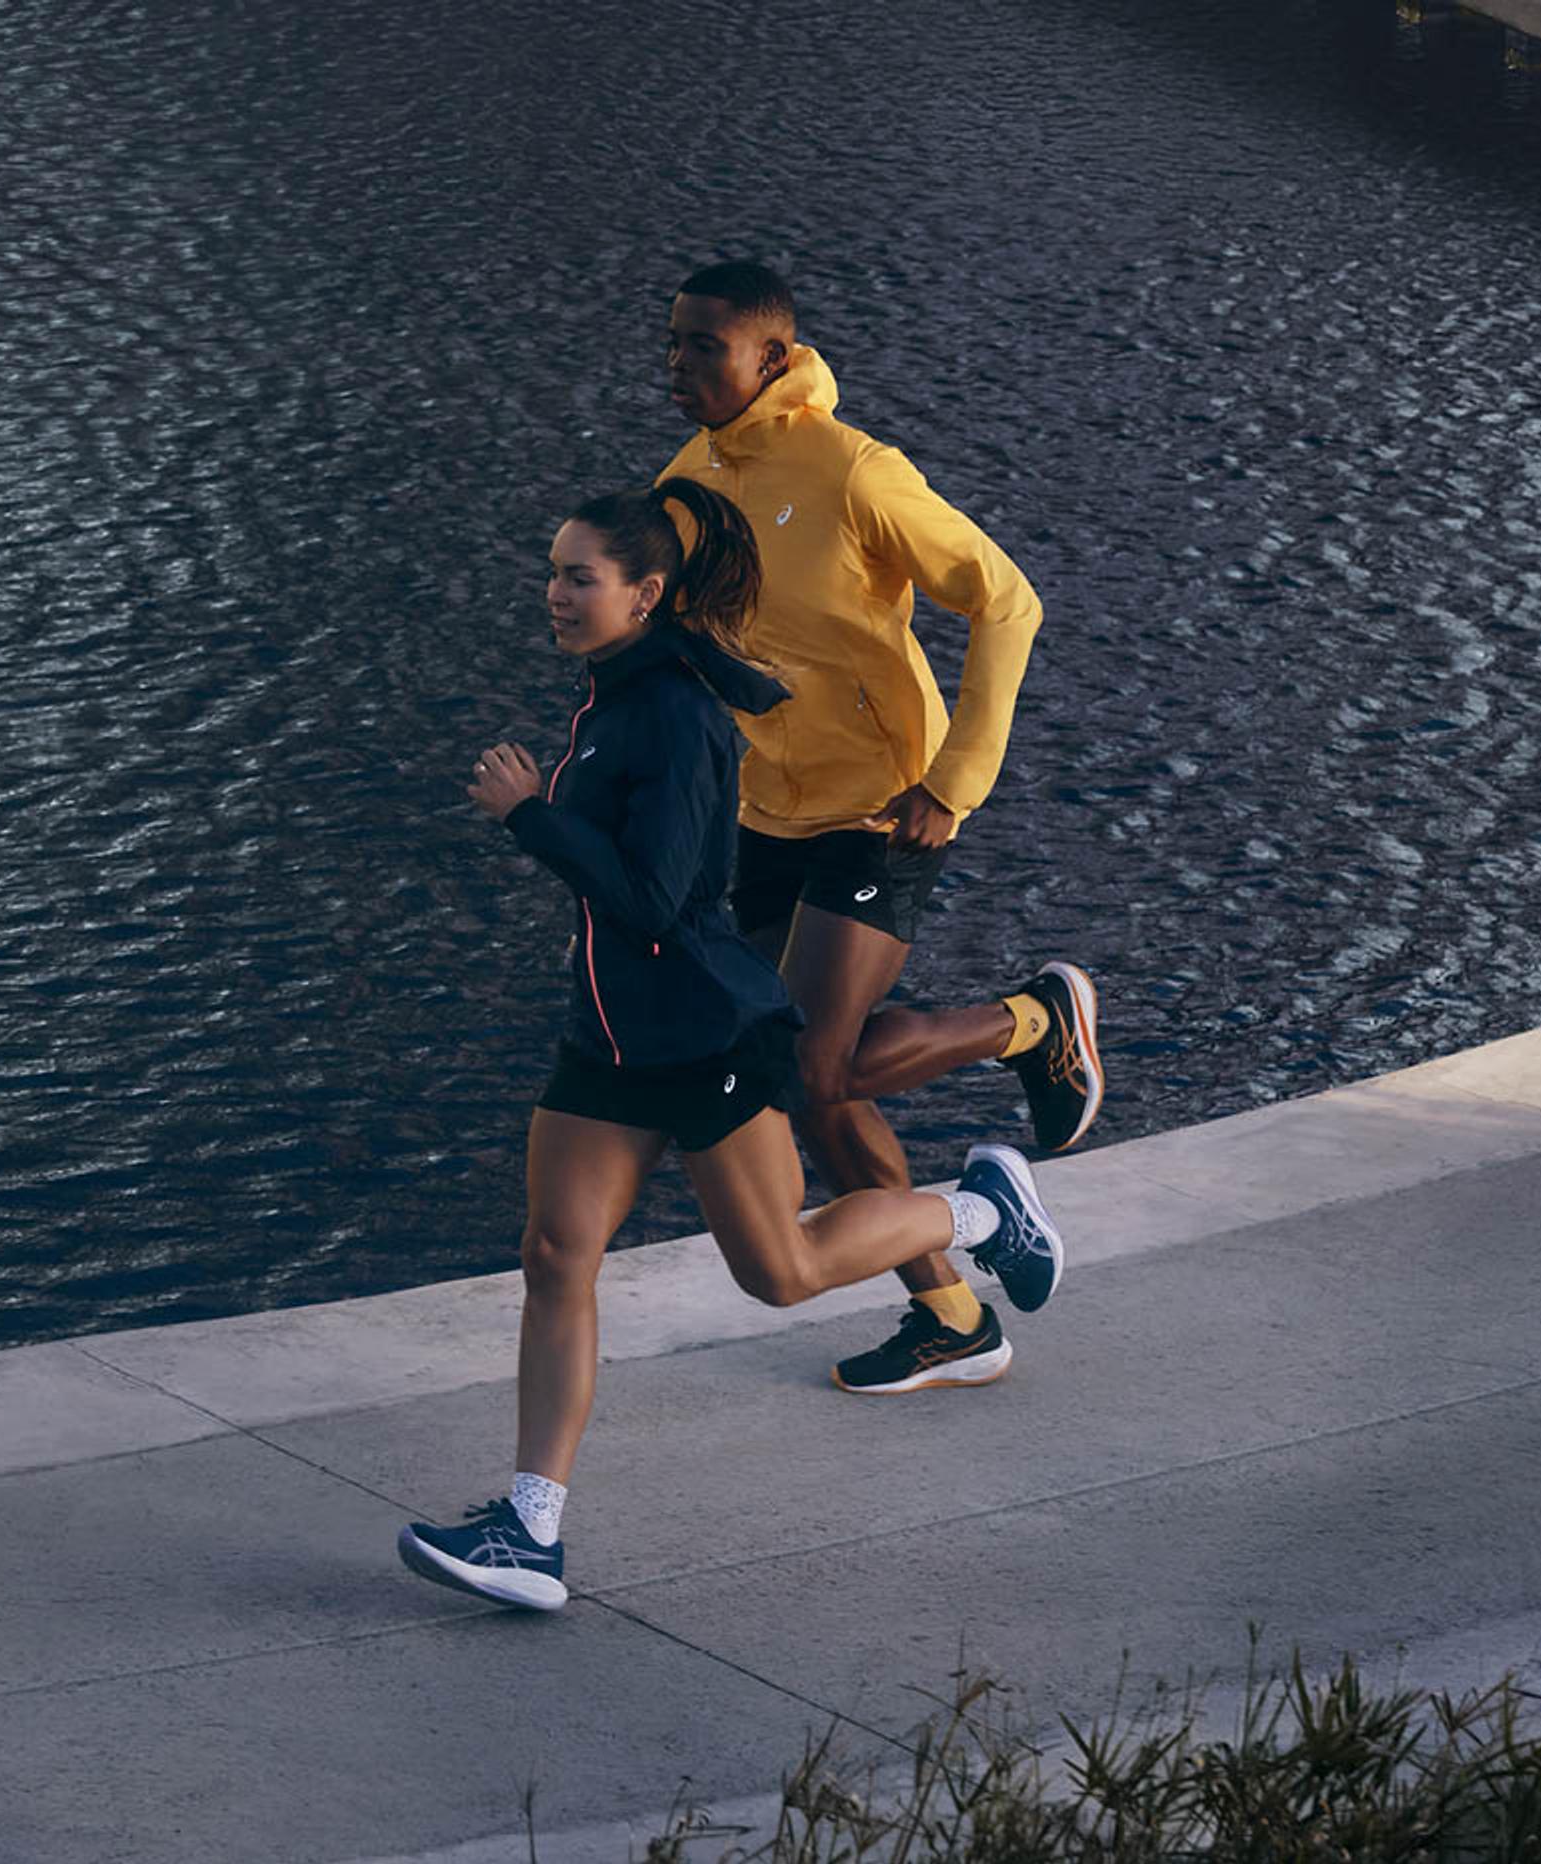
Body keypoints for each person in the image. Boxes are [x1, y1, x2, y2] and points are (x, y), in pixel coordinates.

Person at [396, 479, 1064, 1611]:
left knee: (782, 1271)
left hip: (704, 1028)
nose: (555, 592)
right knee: (557, 1255)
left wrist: (529, 817)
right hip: (607, 1035)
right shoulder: (612, 694)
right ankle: (531, 1531)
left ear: (645, 593)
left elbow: (659, 900)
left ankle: (984, 1212)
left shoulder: (673, 715)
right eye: (554, 570)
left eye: (579, 576)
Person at [659, 261, 1103, 1398]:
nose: (680, 362)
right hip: (765, 812)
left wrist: (955, 780)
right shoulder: (685, 481)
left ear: (771, 355)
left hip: (881, 807)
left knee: (822, 1063)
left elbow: (1006, 599)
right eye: (673, 342)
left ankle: (1031, 1020)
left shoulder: (854, 470)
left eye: (706, 344)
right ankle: (955, 1317)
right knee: (793, 1071)